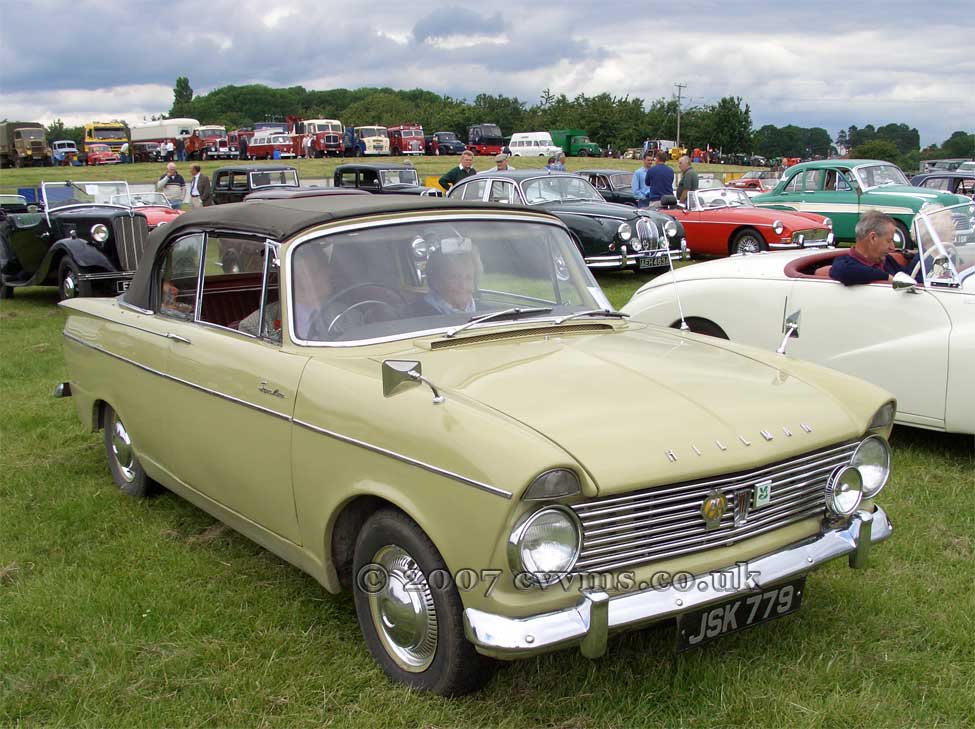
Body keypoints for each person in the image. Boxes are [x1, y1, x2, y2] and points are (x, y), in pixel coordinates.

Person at [830, 211, 917, 285]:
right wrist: (887, 277)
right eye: (889, 241)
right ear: (873, 238)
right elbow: (844, 271)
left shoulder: (887, 261)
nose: (892, 247)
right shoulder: (844, 263)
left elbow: (909, 278)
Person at [421, 248, 478, 314]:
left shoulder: (487, 312)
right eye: (454, 277)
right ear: (435, 281)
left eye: (468, 278)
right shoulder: (418, 316)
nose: (463, 285)